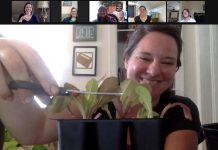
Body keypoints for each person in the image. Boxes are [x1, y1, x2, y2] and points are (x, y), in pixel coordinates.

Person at [0, 25, 204, 149]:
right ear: (126, 60)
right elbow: (33, 131)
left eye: (168, 62)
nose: (153, 70)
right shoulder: (96, 101)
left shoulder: (180, 109)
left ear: (176, 68)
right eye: (144, 57)